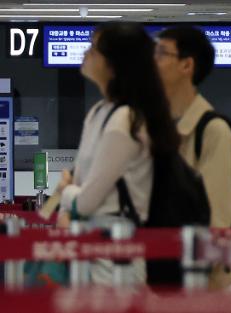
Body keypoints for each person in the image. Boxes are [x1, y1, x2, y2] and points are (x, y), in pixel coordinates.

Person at [56, 22, 179, 285]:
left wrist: (67, 192)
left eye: (94, 49)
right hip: (87, 249)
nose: (86, 54)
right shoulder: (99, 112)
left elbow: (86, 200)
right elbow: (81, 186)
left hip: (115, 259)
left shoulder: (125, 121)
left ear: (114, 64)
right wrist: (72, 195)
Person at [155, 26, 231, 290]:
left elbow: (217, 220)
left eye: (162, 53)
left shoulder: (212, 132)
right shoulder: (157, 127)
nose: (153, 62)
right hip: (161, 278)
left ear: (186, 65)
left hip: (199, 286)